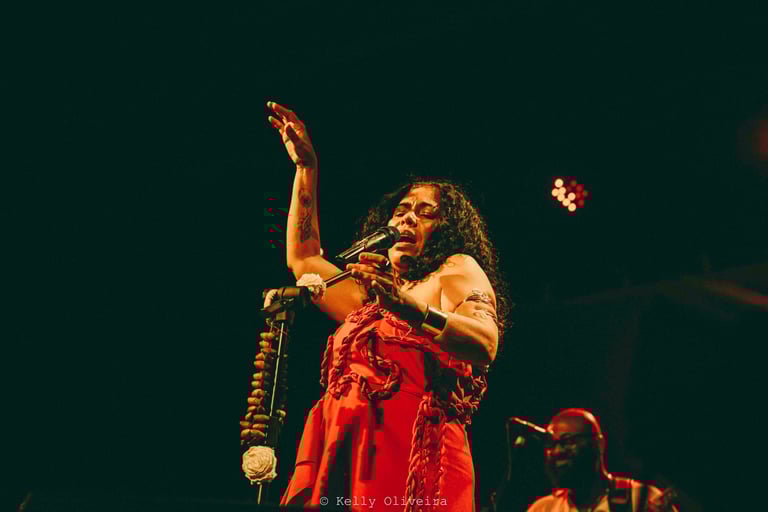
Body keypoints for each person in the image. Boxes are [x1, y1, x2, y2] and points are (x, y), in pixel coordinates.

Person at [241, 101, 510, 511]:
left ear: (447, 230)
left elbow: (485, 344)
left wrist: (407, 307)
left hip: (411, 457)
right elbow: (305, 259)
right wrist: (306, 168)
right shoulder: (370, 302)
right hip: (347, 453)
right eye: (401, 211)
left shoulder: (454, 270)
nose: (407, 219)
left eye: (426, 214)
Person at [526, 409, 678, 512]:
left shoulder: (640, 499)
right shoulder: (544, 508)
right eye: (551, 444)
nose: (557, 451)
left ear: (599, 445)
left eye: (568, 441)